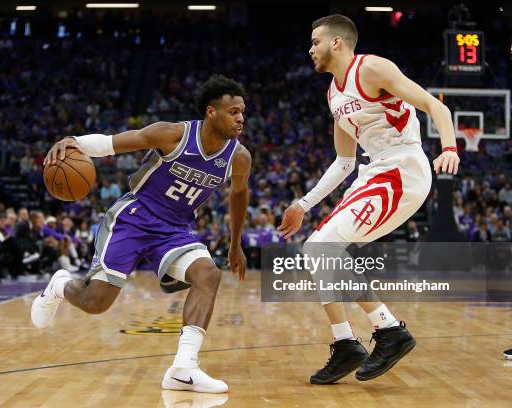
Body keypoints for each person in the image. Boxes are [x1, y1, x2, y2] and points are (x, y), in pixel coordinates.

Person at [32, 75, 251, 393]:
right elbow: (112, 144)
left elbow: (239, 194)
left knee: (208, 275)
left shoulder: (238, 157)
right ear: (211, 112)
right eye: (233, 111)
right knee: (96, 303)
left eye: (243, 111)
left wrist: (235, 244)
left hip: (175, 229)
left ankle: (183, 368)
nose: (241, 118)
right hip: (133, 219)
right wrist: (74, 141)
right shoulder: (173, 134)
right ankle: (60, 285)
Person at [277, 14, 460, 384]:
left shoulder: (372, 68)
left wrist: (450, 147)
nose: (310, 49)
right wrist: (302, 205)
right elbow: (344, 162)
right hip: (373, 171)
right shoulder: (333, 95)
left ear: (337, 43)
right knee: (317, 252)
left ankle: (390, 331)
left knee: (320, 249)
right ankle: (346, 343)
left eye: (315, 42)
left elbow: (435, 106)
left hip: (403, 168)